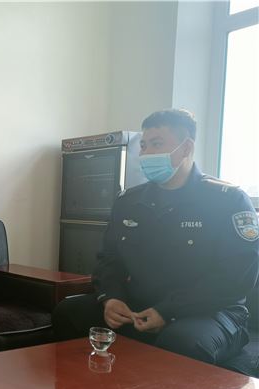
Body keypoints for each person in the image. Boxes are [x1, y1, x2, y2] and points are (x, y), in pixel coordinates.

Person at [53, 108, 259, 367]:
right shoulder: (129, 201)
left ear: (186, 148)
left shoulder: (227, 201)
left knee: (180, 342)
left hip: (210, 312)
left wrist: (168, 311)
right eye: (144, 145)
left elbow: (236, 278)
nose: (146, 153)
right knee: (69, 312)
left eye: (157, 144)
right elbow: (109, 259)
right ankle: (87, 388)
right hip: (142, 306)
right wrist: (111, 298)